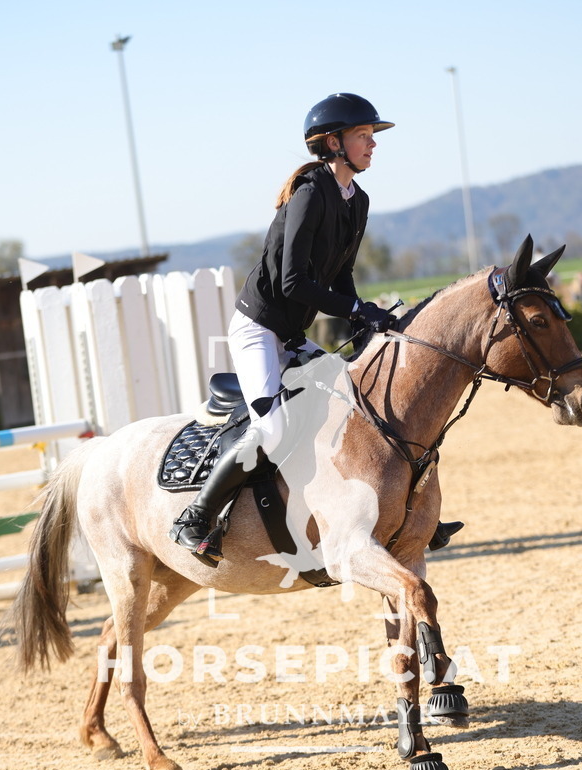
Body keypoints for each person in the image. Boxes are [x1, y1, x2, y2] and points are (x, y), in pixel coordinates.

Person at [169, 93, 461, 563]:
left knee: (358, 404)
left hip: (291, 333)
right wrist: (356, 311)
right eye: (364, 136)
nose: (372, 144)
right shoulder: (310, 193)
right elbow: (292, 280)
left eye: (371, 137)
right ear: (333, 143)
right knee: (272, 429)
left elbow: (339, 273)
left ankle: (408, 513)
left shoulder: (356, 199)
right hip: (259, 330)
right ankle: (196, 518)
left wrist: (364, 313)